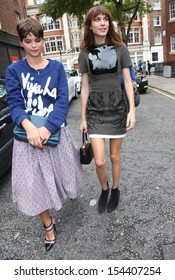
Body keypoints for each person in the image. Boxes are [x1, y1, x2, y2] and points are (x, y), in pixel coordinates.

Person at [5, 17, 83, 252]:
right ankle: (48, 224)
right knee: (32, 185)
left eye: (38, 40)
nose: (34, 45)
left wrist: (47, 128)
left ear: (43, 39)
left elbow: (61, 101)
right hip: (27, 139)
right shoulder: (14, 70)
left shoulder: (57, 68)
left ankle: (58, 201)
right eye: (28, 41)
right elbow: (15, 103)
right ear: (21, 42)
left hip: (54, 134)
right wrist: (30, 128)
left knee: (60, 178)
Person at [78, 6, 136, 214]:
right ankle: (104, 190)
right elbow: (84, 87)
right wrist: (83, 118)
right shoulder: (84, 52)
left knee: (114, 158)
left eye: (106, 19)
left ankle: (115, 189)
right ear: (90, 25)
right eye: (97, 19)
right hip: (95, 110)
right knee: (100, 161)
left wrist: (132, 111)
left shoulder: (120, 48)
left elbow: (128, 81)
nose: (102, 23)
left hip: (116, 108)